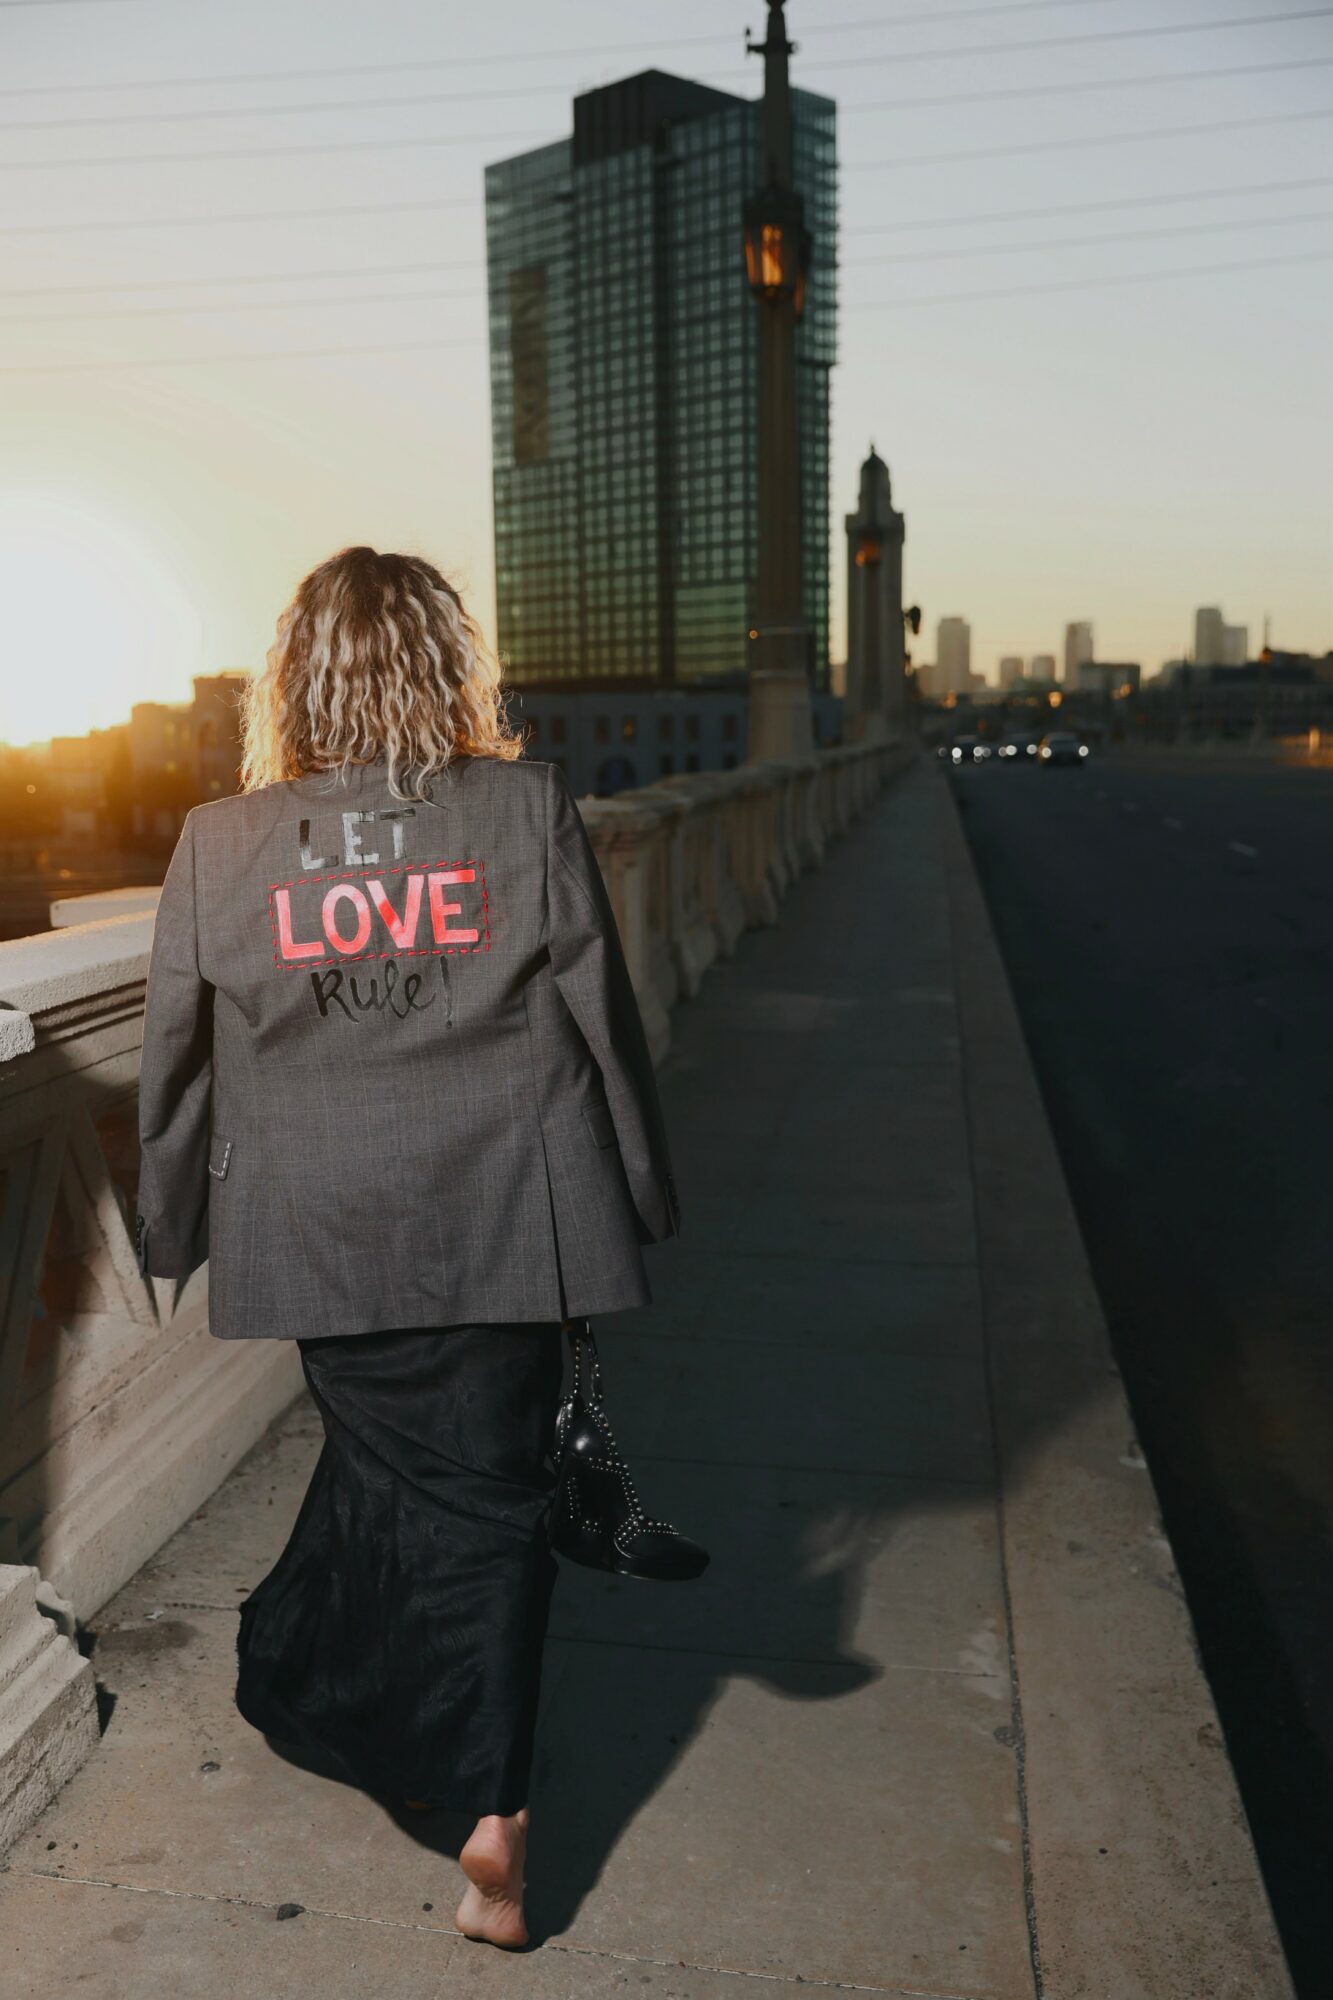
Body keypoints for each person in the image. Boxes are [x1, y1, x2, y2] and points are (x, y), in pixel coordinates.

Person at [134, 546, 680, 1948]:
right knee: (481, 1501)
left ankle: (423, 1752)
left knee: (428, 1485)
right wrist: (639, 1188)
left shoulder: (222, 841)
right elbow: (599, 1017)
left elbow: (176, 1069)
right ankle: (484, 1801)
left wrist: (168, 1225)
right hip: (509, 1214)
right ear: (449, 666)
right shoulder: (522, 809)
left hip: (325, 1229)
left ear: (294, 677)